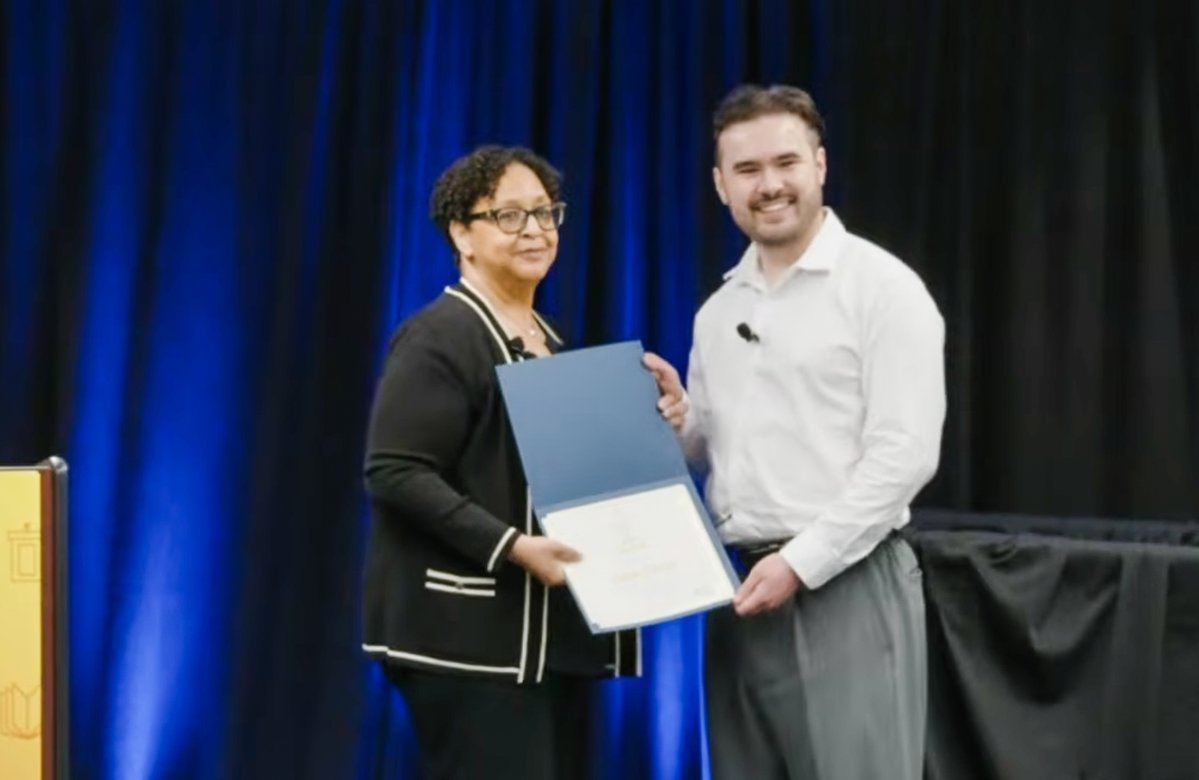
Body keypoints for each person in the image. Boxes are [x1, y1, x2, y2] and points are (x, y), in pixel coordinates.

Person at [644, 84, 946, 779]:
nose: (769, 185)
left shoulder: (882, 288)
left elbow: (904, 455)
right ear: (720, 186)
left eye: (786, 162)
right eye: (746, 171)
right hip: (741, 593)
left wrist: (800, 562)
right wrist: (680, 423)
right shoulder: (718, 311)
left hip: (845, 583)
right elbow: (713, 453)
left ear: (819, 165)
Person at [362, 145, 686, 779]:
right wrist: (513, 545)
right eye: (509, 215)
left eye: (545, 213)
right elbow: (394, 472)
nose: (535, 230)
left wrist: (661, 429)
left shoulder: (553, 340)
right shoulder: (441, 335)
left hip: (550, 645)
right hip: (471, 643)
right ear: (463, 233)